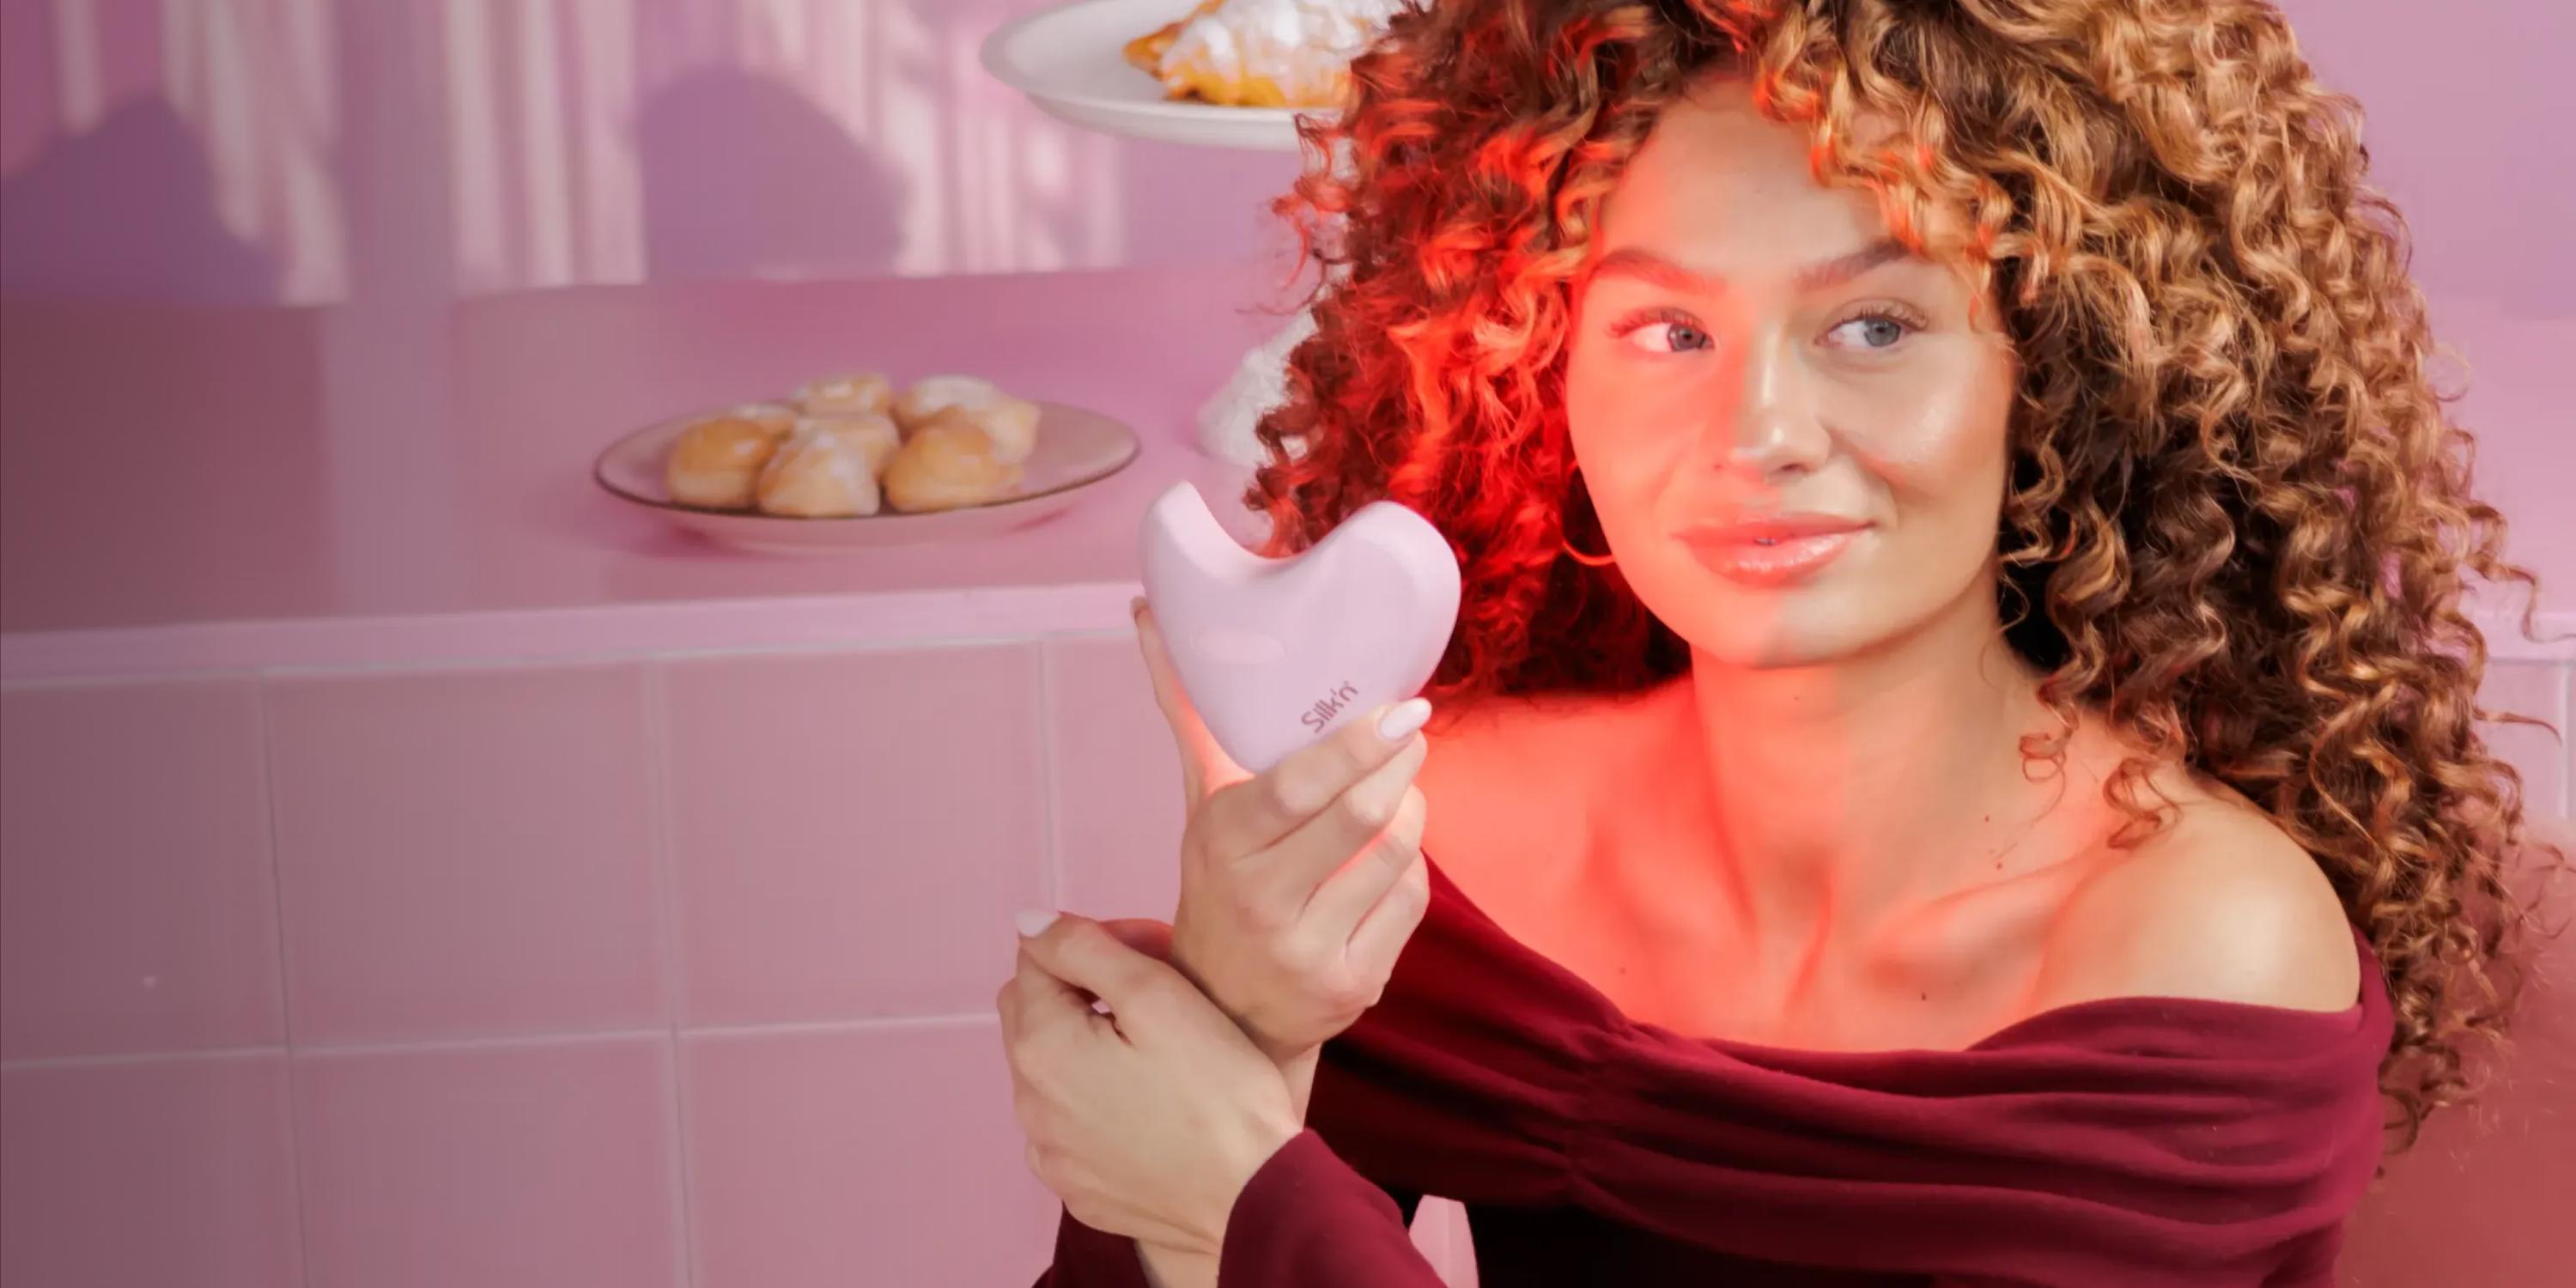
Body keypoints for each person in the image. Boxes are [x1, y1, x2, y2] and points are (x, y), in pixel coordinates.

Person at [994, 2, 2555, 1284]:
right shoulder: (1426, 838)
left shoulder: (2202, 945)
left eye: (1874, 327)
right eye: (1668, 332)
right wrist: (1242, 1017)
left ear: (2059, 373)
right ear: (1544, 370)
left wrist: (1244, 1200)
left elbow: (1224, 1209)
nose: (1757, 433)